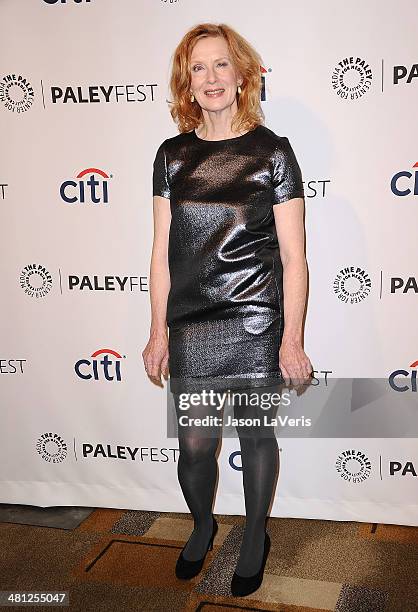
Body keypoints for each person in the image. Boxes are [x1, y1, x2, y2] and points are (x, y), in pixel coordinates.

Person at [142, 22, 313, 597]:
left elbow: (294, 258)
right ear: (185, 82)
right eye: (198, 67)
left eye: (221, 65)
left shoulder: (273, 153)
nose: (211, 77)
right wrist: (157, 333)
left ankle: (256, 533)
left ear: (242, 75)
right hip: (191, 322)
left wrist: (291, 339)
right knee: (195, 443)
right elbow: (162, 252)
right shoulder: (172, 155)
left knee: (256, 436)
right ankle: (204, 524)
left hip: (256, 317)